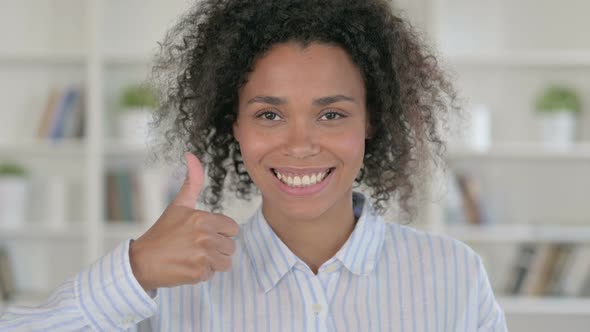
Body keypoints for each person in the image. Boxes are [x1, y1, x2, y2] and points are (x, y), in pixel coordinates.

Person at [0, 0, 508, 331]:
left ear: (371, 122)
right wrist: (134, 272)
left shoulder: (452, 274)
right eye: (269, 114)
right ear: (234, 125)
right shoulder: (171, 288)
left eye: (331, 114)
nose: (300, 143)